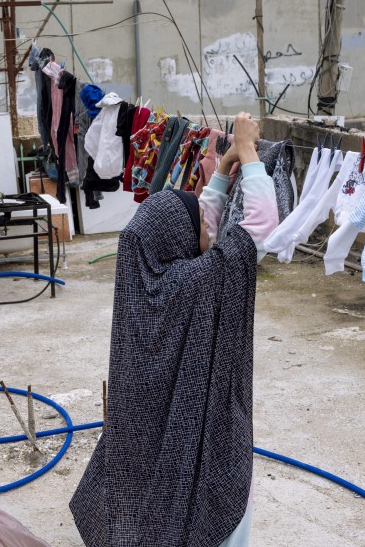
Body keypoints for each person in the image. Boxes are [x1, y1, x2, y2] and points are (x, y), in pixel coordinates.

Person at [70, 111, 279, 546]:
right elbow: (259, 228)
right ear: (178, 237)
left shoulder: (141, 275)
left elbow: (194, 220)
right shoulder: (196, 283)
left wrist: (220, 173)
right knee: (212, 517)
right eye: (200, 221)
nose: (209, 224)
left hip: (148, 457)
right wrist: (249, 154)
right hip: (200, 451)